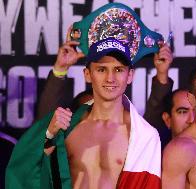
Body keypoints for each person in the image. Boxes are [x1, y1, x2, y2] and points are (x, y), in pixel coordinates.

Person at [6, 38, 161, 189]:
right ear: (87, 74)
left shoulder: (143, 136)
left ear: (130, 76)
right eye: (101, 69)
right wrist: (48, 137)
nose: (110, 78)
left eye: (118, 70)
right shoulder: (68, 127)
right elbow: (34, 168)